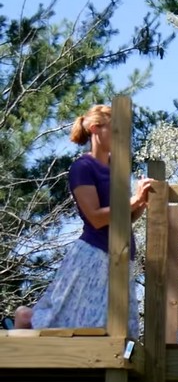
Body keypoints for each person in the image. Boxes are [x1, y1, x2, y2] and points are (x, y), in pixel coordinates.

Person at [15, 104, 153, 336]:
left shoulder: (115, 170)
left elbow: (123, 218)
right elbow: (96, 218)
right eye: (116, 130)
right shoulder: (83, 167)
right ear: (95, 128)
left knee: (111, 329)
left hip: (119, 255)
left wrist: (141, 202)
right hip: (93, 256)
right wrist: (133, 199)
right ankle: (22, 320)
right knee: (66, 322)